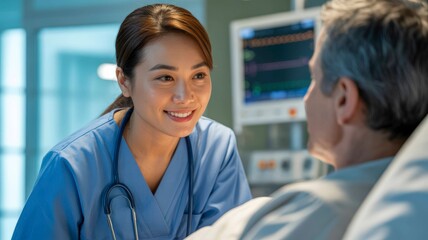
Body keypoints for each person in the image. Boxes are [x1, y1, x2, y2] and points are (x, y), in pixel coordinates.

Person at [186, 0, 428, 239]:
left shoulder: (319, 210)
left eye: (313, 77)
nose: (306, 98)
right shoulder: (408, 201)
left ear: (344, 99)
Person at [12, 4, 252, 239]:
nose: (185, 96)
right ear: (124, 81)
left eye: (198, 75)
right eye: (165, 77)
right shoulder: (72, 165)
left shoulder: (217, 148)